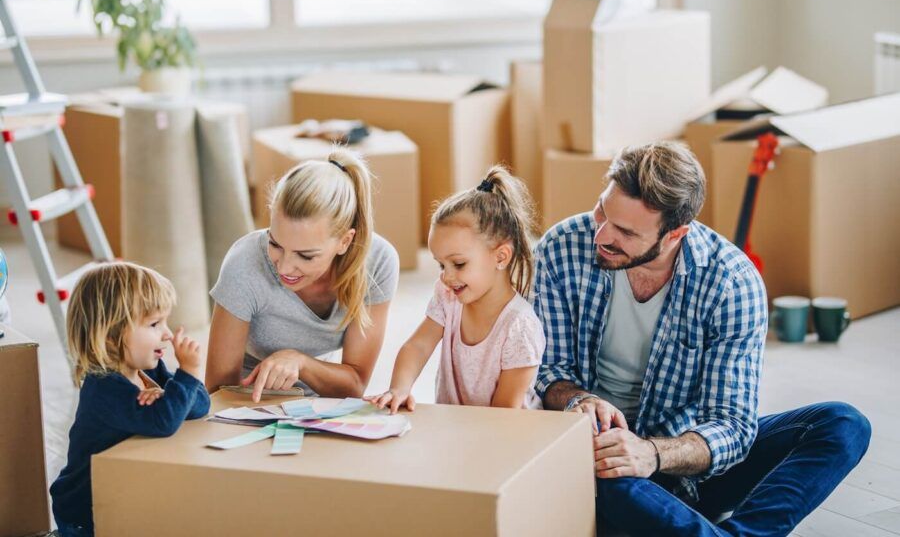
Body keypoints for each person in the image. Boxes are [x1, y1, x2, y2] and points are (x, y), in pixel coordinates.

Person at [533, 141, 871, 536]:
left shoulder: (731, 281)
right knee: (601, 473)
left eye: (624, 231)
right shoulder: (560, 249)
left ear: (675, 233)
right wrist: (579, 398)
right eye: (602, 211)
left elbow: (732, 426)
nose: (601, 234)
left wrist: (653, 453)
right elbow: (548, 370)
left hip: (682, 460)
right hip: (600, 459)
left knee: (844, 424)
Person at [205, 149, 399, 402]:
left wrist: (301, 363)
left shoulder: (377, 261)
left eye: (305, 256)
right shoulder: (245, 262)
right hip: (247, 397)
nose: (284, 268)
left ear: (344, 241)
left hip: (320, 398)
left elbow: (354, 385)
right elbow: (218, 390)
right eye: (274, 244)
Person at [50, 262, 209, 537]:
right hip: (84, 514)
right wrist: (188, 373)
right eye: (154, 324)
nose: (168, 334)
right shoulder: (103, 387)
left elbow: (199, 407)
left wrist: (173, 391)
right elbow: (165, 422)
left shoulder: (147, 371)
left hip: (122, 494)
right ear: (111, 335)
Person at [368, 166, 545, 413]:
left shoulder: (520, 326)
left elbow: (505, 414)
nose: (447, 276)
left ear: (501, 257)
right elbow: (417, 346)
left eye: (459, 264)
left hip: (504, 436)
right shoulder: (448, 295)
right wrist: (399, 388)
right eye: (441, 264)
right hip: (459, 431)